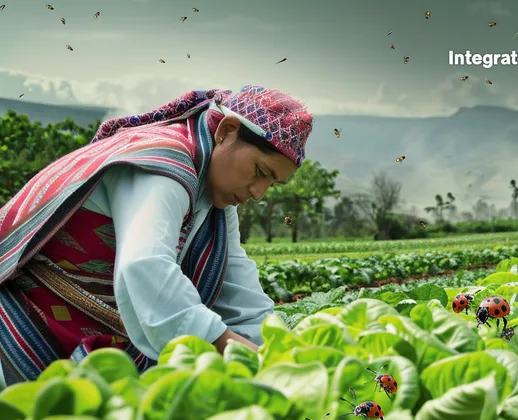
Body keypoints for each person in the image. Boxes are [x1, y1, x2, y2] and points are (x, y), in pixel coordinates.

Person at [0, 86, 313, 386]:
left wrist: (277, 354)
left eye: (272, 183)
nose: (259, 194)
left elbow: (238, 288)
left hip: (78, 335)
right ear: (227, 130)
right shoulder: (164, 164)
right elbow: (145, 264)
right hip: (24, 327)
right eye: (260, 171)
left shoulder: (214, 197)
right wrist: (224, 344)